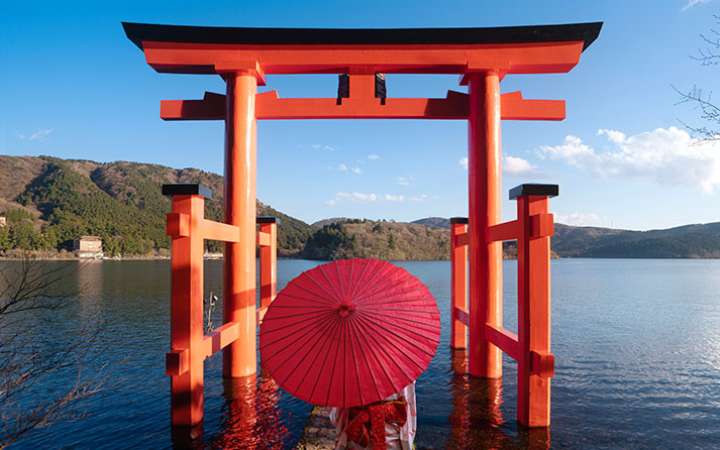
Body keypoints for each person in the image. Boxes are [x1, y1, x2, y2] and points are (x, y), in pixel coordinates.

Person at [329, 382, 416, 450]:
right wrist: (407, 441)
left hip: (359, 436)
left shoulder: (344, 369)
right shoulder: (398, 366)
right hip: (391, 439)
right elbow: (409, 405)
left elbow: (337, 415)